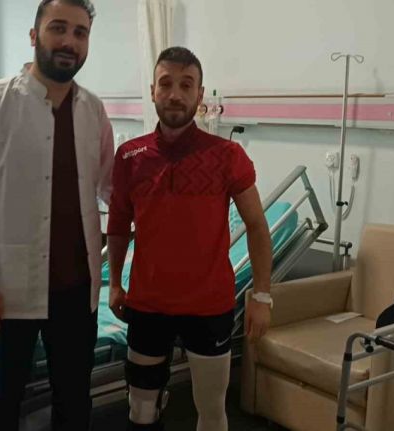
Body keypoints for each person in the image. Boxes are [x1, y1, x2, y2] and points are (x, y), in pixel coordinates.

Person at [0, 1, 114, 429]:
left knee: (74, 404)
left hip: (77, 291)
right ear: (34, 34)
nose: (69, 41)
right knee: (0, 405)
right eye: (58, 28)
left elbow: (112, 187)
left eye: (80, 33)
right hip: (5, 293)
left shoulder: (93, 111)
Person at [106, 46, 273, 431]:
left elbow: (256, 225)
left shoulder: (227, 155)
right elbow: (117, 225)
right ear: (152, 90)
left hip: (208, 306)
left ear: (200, 94)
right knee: (140, 409)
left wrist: (262, 296)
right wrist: (114, 283)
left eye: (186, 85)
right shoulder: (130, 156)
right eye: (166, 84)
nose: (175, 94)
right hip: (147, 304)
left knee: (211, 411)